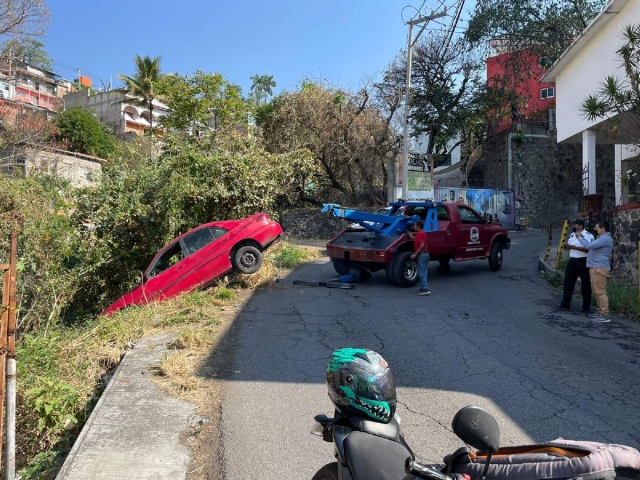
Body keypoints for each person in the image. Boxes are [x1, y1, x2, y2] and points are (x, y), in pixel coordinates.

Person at [576, 220, 613, 323]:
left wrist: (579, 237)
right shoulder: (602, 238)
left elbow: (589, 246)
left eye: (597, 228)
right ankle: (600, 311)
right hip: (596, 267)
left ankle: (605, 314)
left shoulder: (605, 238)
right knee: (596, 291)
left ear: (602, 228)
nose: (596, 230)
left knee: (600, 292)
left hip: (599, 268)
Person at [557, 219, 594, 313]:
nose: (573, 227)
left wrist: (575, 247)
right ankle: (565, 304)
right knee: (568, 283)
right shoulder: (572, 235)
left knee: (585, 284)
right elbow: (571, 245)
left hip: (583, 261)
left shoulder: (588, 236)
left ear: (581, 226)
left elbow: (589, 248)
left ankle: (586, 307)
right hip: (572, 260)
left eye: (575, 225)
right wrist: (568, 247)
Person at [409, 220, 431, 295]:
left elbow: (422, 245)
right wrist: (412, 237)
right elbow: (419, 241)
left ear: (419, 226)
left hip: (422, 254)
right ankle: (423, 287)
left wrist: (415, 254)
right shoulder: (423, 233)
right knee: (424, 272)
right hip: (426, 255)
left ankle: (425, 289)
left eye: (415, 225)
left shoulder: (419, 234)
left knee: (421, 273)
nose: (414, 227)